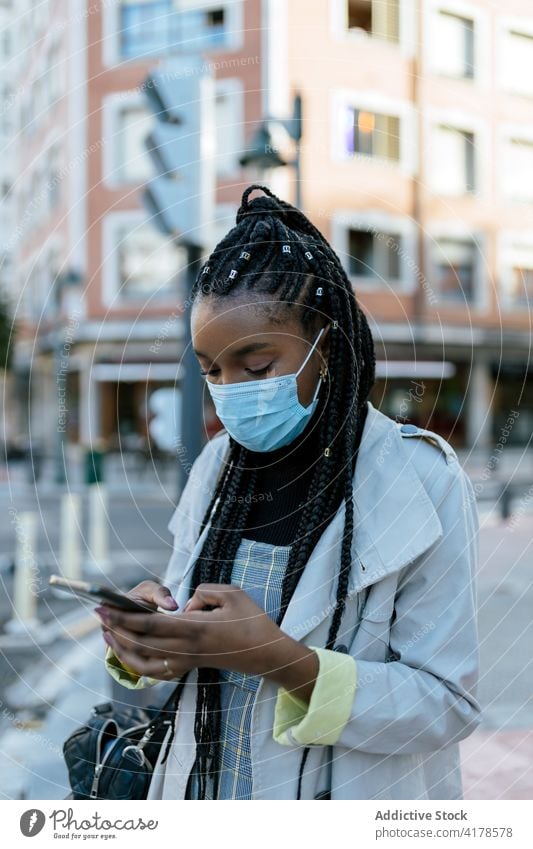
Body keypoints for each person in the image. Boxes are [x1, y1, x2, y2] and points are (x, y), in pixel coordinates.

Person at [98, 183, 482, 800]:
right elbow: (185, 645)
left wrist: (281, 660)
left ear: (324, 345)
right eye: (211, 370)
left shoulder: (423, 479)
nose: (229, 391)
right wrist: (153, 642)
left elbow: (448, 703)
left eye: (255, 367)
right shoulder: (218, 467)